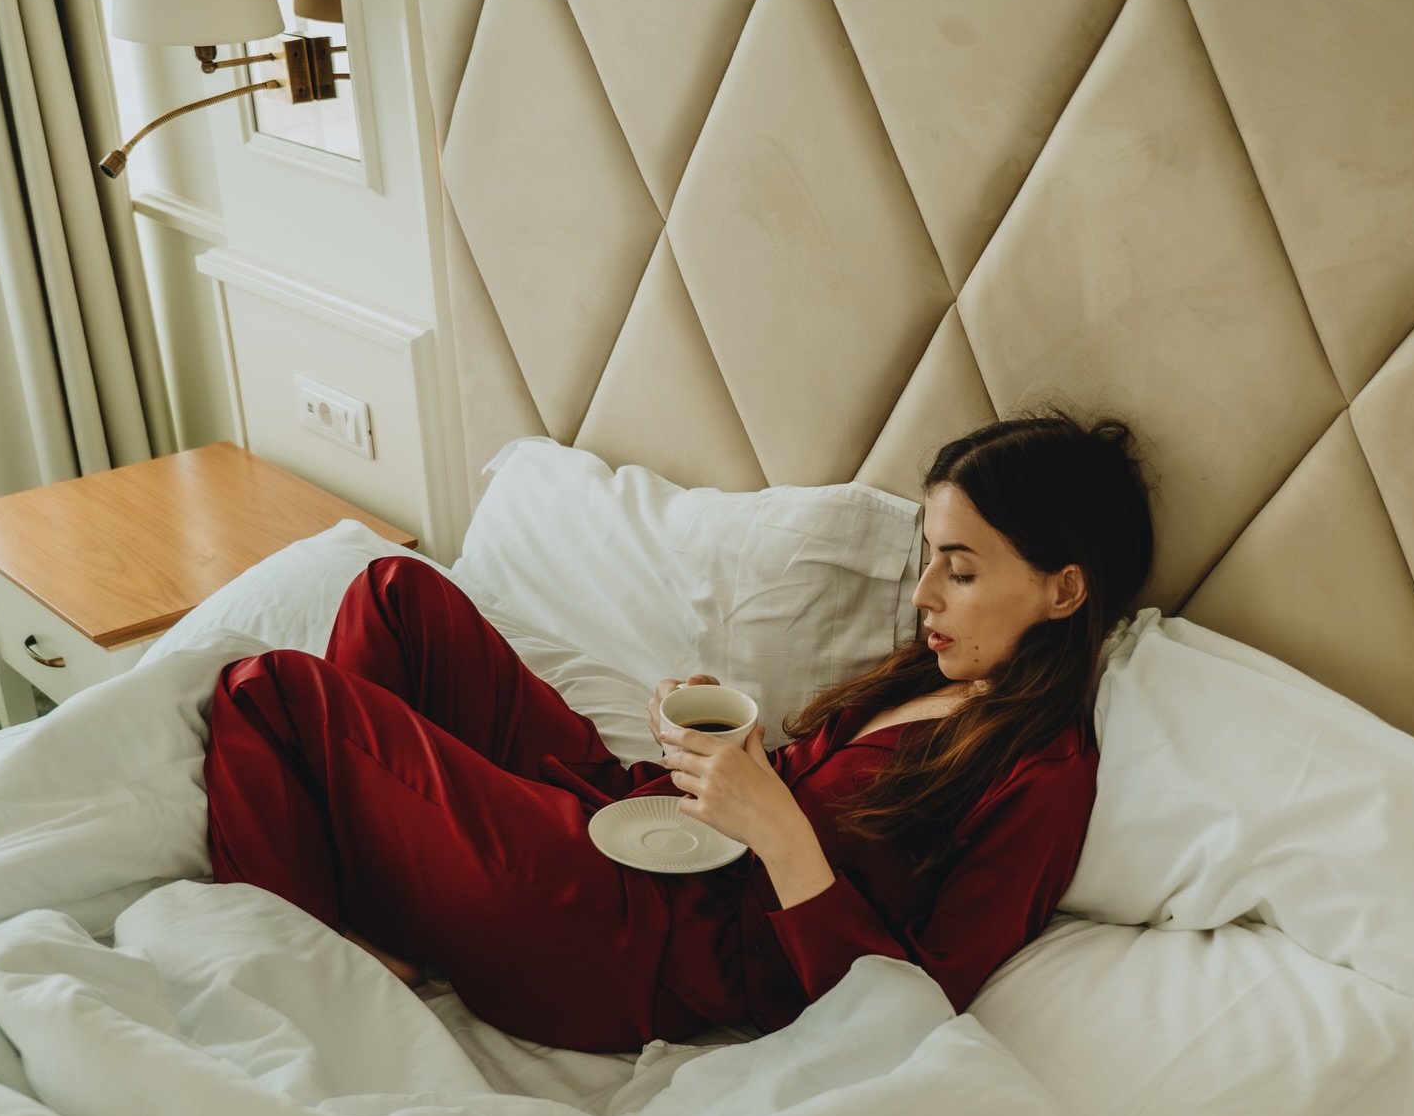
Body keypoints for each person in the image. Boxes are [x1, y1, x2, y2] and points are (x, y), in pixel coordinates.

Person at [204, 413, 1154, 1053]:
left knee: (273, 693)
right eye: (929, 562)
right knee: (396, 594)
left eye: (963, 570)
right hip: (639, 824)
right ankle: (385, 901)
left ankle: (316, 960)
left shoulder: (1044, 774)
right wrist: (714, 756)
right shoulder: (935, 676)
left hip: (642, 943)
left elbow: (921, 1006)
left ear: (1064, 588)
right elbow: (800, 796)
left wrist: (774, 824)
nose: (924, 596)